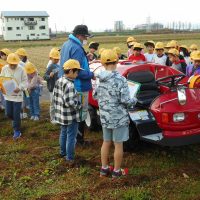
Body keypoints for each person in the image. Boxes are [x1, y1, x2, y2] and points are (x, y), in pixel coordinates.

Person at [93, 49, 137, 178]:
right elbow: (126, 100)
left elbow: (95, 96)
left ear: (102, 63)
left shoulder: (99, 78)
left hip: (105, 117)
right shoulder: (121, 79)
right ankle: (117, 172)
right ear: (117, 61)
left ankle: (104, 169)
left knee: (106, 142)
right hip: (118, 117)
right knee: (118, 144)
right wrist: (134, 99)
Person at [59, 25, 94, 144]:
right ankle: (79, 140)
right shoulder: (77, 48)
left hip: (67, 83)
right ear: (79, 36)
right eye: (85, 36)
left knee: (70, 112)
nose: (86, 39)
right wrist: (91, 74)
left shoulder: (66, 44)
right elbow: (77, 71)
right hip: (79, 86)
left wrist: (85, 57)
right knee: (81, 113)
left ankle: (70, 138)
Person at [53, 59, 82, 162]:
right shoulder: (70, 85)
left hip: (62, 114)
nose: (77, 73)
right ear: (70, 71)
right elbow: (69, 102)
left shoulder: (59, 80)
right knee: (71, 137)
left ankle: (62, 152)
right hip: (70, 116)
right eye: (76, 71)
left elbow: (55, 97)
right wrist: (79, 105)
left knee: (63, 133)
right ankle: (69, 158)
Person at [0, 53, 28, 139]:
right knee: (8, 113)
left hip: (17, 96)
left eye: (14, 64)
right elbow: (1, 78)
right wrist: (2, 87)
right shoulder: (4, 68)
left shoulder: (21, 69)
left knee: (15, 114)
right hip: (8, 95)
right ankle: (16, 120)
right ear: (8, 62)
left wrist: (19, 88)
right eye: (11, 64)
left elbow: (25, 82)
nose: (12, 66)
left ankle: (17, 130)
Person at [43, 48, 60, 123]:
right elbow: (44, 76)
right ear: (51, 58)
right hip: (52, 88)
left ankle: (57, 117)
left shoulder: (58, 66)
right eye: (55, 59)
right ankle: (52, 118)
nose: (56, 60)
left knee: (58, 103)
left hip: (58, 88)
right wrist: (49, 76)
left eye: (57, 59)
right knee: (53, 103)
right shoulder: (50, 66)